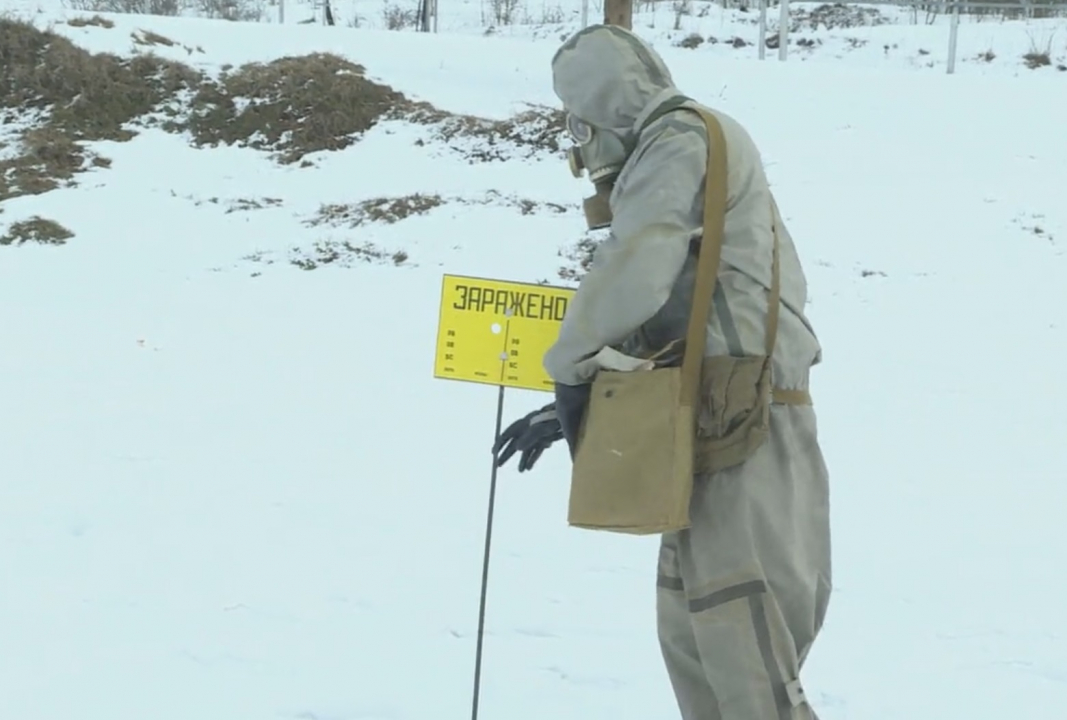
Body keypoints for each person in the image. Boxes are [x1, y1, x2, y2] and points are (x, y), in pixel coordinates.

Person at [493, 24, 832, 720]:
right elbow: (685, 296)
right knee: (698, 630)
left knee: (741, 642)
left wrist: (571, 369)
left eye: (579, 121)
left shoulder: (677, 140)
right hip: (716, 413)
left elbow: (638, 264)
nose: (578, 142)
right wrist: (586, 390)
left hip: (743, 419)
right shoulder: (696, 139)